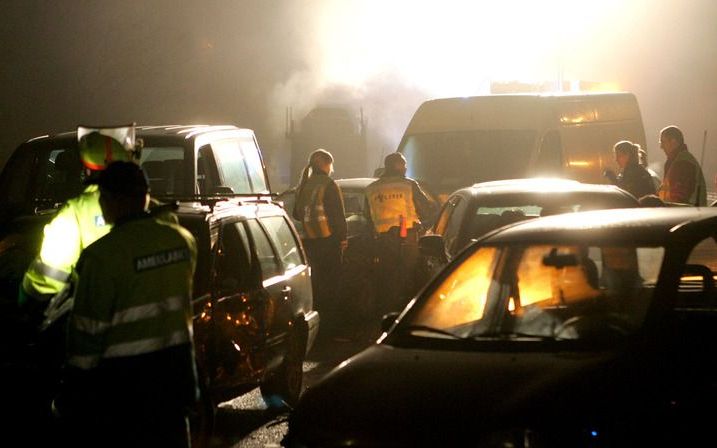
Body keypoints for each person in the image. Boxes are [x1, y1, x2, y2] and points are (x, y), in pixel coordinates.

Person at [54, 161, 198, 447]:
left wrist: (74, 390)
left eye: (102, 197)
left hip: (124, 388)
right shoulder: (182, 242)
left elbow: (87, 333)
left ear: (113, 200)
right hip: (175, 375)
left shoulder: (102, 256)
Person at [19, 126, 175, 317]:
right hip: (164, 328)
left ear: (87, 168)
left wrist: (24, 306)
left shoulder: (74, 214)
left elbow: (45, 282)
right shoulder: (162, 213)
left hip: (103, 327)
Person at [365, 152, 436, 314]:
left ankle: (385, 310)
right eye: (403, 164)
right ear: (397, 165)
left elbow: (368, 217)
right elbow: (427, 208)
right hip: (407, 238)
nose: (405, 167)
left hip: (381, 240)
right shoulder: (408, 185)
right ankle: (407, 311)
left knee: (386, 274)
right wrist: (423, 225)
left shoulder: (371, 189)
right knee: (408, 273)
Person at [292, 149, 347, 338]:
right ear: (325, 164)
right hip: (328, 242)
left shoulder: (304, 185)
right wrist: (343, 238)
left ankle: (314, 330)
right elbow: (337, 215)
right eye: (330, 164)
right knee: (332, 287)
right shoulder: (328, 184)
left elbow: (296, 214)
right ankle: (329, 329)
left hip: (309, 243)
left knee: (315, 286)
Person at [658, 125, 707, 206]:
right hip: (683, 213)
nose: (661, 146)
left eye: (663, 142)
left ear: (673, 141)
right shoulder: (678, 160)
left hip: (684, 214)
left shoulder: (683, 163)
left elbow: (679, 197)